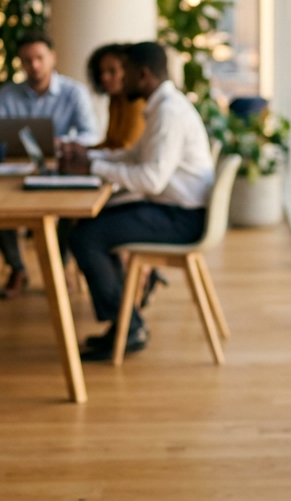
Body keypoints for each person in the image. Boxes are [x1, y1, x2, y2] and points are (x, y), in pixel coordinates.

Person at [58, 42, 214, 361]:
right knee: (90, 227)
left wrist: (92, 166)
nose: (119, 81)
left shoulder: (168, 112)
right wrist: (90, 156)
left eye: (125, 73)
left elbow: (151, 179)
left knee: (87, 236)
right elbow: (134, 156)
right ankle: (126, 322)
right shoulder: (163, 105)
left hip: (181, 218)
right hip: (174, 209)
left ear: (143, 75)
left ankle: (128, 327)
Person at [0, 30, 101, 298]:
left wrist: (61, 143)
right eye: (27, 60)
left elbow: (92, 135)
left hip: (59, 172)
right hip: (13, 173)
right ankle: (17, 268)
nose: (34, 65)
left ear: (52, 58)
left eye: (39, 58)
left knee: (68, 212)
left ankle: (58, 267)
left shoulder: (74, 92)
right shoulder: (7, 94)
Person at [87, 43, 146, 150]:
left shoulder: (136, 101)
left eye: (112, 71)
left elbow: (126, 147)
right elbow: (111, 142)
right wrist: (84, 150)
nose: (104, 77)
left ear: (128, 70)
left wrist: (90, 156)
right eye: (102, 72)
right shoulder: (115, 99)